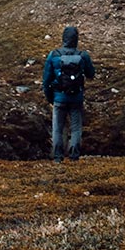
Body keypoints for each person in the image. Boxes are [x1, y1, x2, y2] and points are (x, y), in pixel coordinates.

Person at [42, 25, 95, 162]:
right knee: (76, 128)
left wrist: (50, 98)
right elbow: (91, 74)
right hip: (76, 97)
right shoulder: (82, 56)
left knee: (58, 129)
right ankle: (74, 156)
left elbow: (46, 79)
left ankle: (58, 157)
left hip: (59, 97)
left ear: (63, 38)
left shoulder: (54, 55)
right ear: (76, 39)